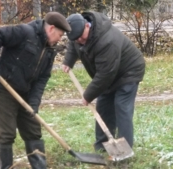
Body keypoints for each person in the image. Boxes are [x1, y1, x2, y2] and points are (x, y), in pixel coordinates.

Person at [0, 12, 71, 169]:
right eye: (60, 34)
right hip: (4, 87)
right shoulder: (25, 32)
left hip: (26, 91)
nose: (60, 39)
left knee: (33, 131)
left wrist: (34, 103)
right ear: (51, 28)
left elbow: (42, 79)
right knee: (7, 134)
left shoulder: (50, 50)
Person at [62, 11, 145, 151]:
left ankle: (125, 149)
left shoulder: (106, 41)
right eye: (76, 39)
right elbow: (73, 44)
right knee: (104, 107)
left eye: (81, 38)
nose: (80, 41)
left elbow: (105, 75)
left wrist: (88, 95)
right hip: (109, 72)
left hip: (128, 71)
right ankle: (102, 146)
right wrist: (68, 61)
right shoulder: (77, 34)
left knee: (121, 107)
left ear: (87, 26)